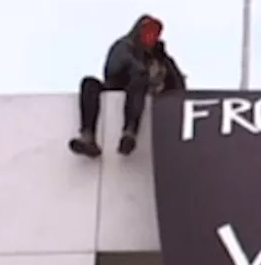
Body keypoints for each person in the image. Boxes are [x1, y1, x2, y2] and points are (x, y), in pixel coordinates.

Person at [69, 14, 186, 158]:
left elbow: (179, 84)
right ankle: (88, 136)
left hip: (143, 91)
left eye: (155, 33)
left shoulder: (161, 57)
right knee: (89, 83)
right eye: (147, 31)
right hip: (119, 85)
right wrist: (138, 67)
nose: (151, 36)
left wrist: (165, 62)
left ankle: (130, 133)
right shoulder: (124, 46)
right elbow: (113, 68)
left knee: (139, 82)